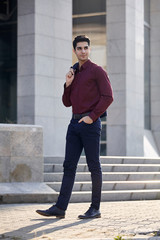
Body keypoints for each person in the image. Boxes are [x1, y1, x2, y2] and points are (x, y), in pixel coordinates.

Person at [36, 35, 113, 219]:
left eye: (86, 47)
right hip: (73, 124)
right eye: (79, 48)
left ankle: (95, 208)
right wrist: (67, 84)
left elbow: (108, 97)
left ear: (89, 49)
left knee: (94, 166)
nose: (83, 51)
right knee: (69, 166)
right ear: (74, 51)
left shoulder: (97, 71)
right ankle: (60, 208)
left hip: (90, 124)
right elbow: (66, 102)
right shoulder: (73, 72)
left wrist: (92, 117)